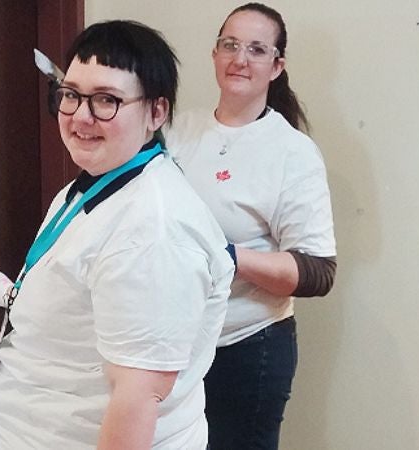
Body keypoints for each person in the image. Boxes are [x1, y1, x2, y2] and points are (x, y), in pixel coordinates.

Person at [0, 20, 234, 450]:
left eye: (106, 100)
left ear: (157, 112)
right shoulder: (96, 181)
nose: (80, 117)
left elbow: (138, 397)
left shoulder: (154, 231)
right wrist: (15, 295)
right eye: (70, 95)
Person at [165, 3, 337, 449]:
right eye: (230, 45)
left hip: (247, 350)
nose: (240, 59)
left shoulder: (291, 152)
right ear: (214, 53)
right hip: (173, 345)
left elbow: (317, 272)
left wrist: (226, 256)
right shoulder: (177, 131)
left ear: (276, 66)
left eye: (257, 49)